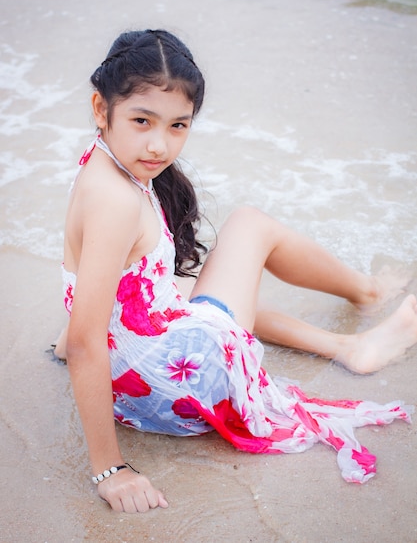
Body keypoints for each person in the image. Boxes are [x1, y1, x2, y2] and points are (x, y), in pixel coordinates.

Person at [55, 29, 417, 514]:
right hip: (179, 388)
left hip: (133, 386)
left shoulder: (100, 163)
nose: (159, 145)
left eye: (178, 126)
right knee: (250, 223)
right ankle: (367, 293)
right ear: (102, 109)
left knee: (174, 284)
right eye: (142, 120)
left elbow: (94, 290)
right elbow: (82, 343)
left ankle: (346, 345)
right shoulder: (116, 200)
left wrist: (87, 335)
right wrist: (110, 470)